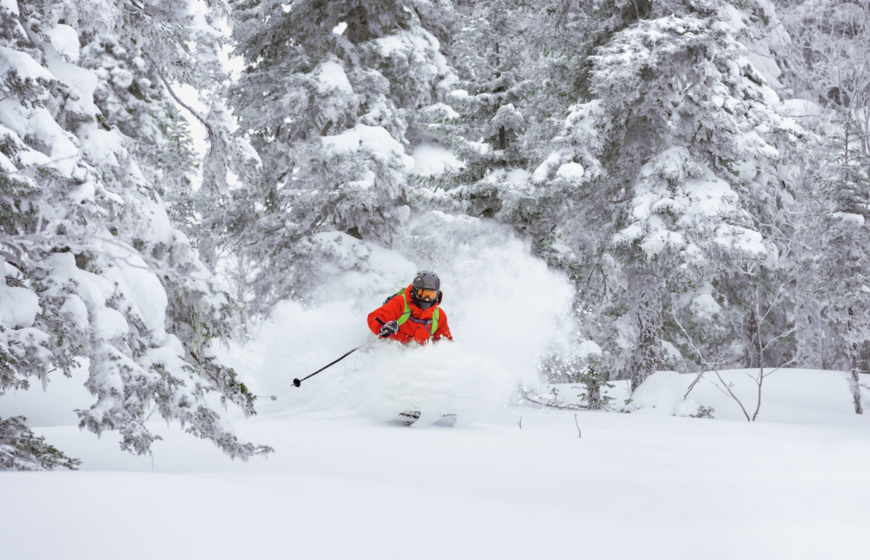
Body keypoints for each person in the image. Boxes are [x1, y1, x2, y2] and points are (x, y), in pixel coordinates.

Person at [368, 270, 453, 345]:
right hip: (389, 350)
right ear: (415, 291)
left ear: (437, 295)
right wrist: (382, 328)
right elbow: (374, 317)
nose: (427, 299)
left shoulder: (438, 315)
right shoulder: (400, 303)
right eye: (422, 294)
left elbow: (445, 343)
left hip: (416, 356)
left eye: (431, 295)